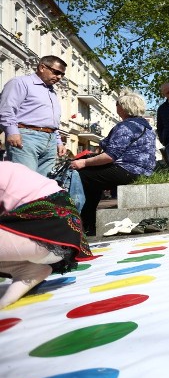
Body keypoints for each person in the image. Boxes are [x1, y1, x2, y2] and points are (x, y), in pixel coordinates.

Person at [0, 162, 93, 309]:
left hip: (42, 233)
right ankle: (25, 270)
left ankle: (23, 268)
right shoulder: (10, 167)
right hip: (64, 239)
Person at [70, 90, 157, 236]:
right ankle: (88, 223)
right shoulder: (146, 127)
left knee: (81, 175)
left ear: (123, 107)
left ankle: (76, 221)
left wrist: (83, 162)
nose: (116, 107)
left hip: (127, 170)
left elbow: (110, 156)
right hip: (143, 170)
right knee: (93, 179)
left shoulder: (126, 127)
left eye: (117, 104)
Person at [0, 56, 67, 175]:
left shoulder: (52, 92)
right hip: (26, 137)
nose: (59, 77)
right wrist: (12, 131)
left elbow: (52, 121)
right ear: (42, 67)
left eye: (62, 74)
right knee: (25, 181)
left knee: (44, 184)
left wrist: (58, 142)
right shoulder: (20, 82)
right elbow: (6, 109)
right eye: (56, 72)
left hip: (50, 140)